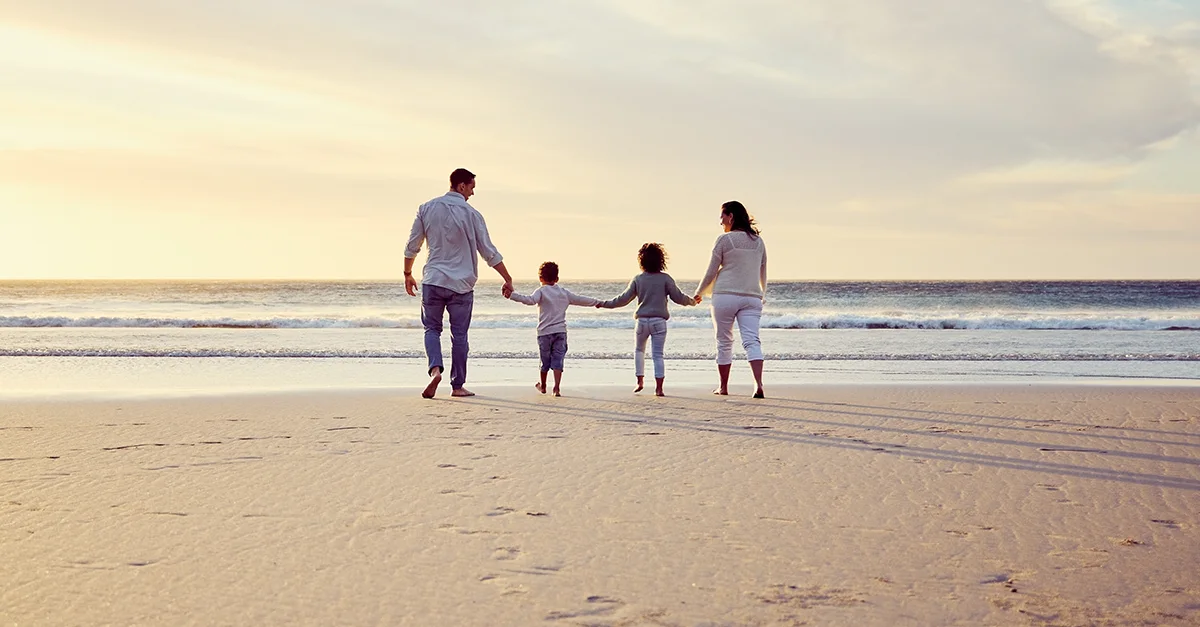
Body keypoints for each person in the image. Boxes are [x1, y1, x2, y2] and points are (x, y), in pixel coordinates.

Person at [404, 168, 514, 399]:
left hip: (433, 280)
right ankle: (458, 386)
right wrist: (507, 277)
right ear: (461, 186)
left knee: (432, 329)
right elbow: (488, 252)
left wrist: (407, 272)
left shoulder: (426, 208)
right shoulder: (473, 215)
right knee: (460, 336)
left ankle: (435, 370)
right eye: (472, 187)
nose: (473, 193)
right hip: (462, 285)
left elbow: (413, 244)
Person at [596, 243, 695, 396]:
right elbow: (678, 297)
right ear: (661, 260)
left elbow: (622, 299)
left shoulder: (638, 279)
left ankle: (639, 382)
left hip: (642, 322)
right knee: (658, 355)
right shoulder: (666, 279)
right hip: (659, 322)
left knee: (639, 351)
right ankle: (659, 388)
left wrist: (604, 304)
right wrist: (692, 301)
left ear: (642, 261)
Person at [693, 200, 768, 398]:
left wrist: (699, 292)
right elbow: (763, 270)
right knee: (752, 341)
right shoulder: (758, 242)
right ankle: (758, 385)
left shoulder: (724, 240)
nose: (720, 222)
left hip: (725, 296)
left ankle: (724, 387)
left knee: (724, 341)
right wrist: (763, 293)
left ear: (731, 216)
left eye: (722, 216)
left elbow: (711, 271)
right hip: (752, 297)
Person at [507, 261, 600, 397]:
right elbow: (581, 299)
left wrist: (512, 295)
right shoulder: (564, 293)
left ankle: (543, 386)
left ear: (540, 278)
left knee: (544, 360)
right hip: (560, 332)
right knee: (558, 360)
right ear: (557, 279)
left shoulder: (541, 291)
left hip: (544, 333)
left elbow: (529, 300)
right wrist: (597, 302)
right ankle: (556, 388)